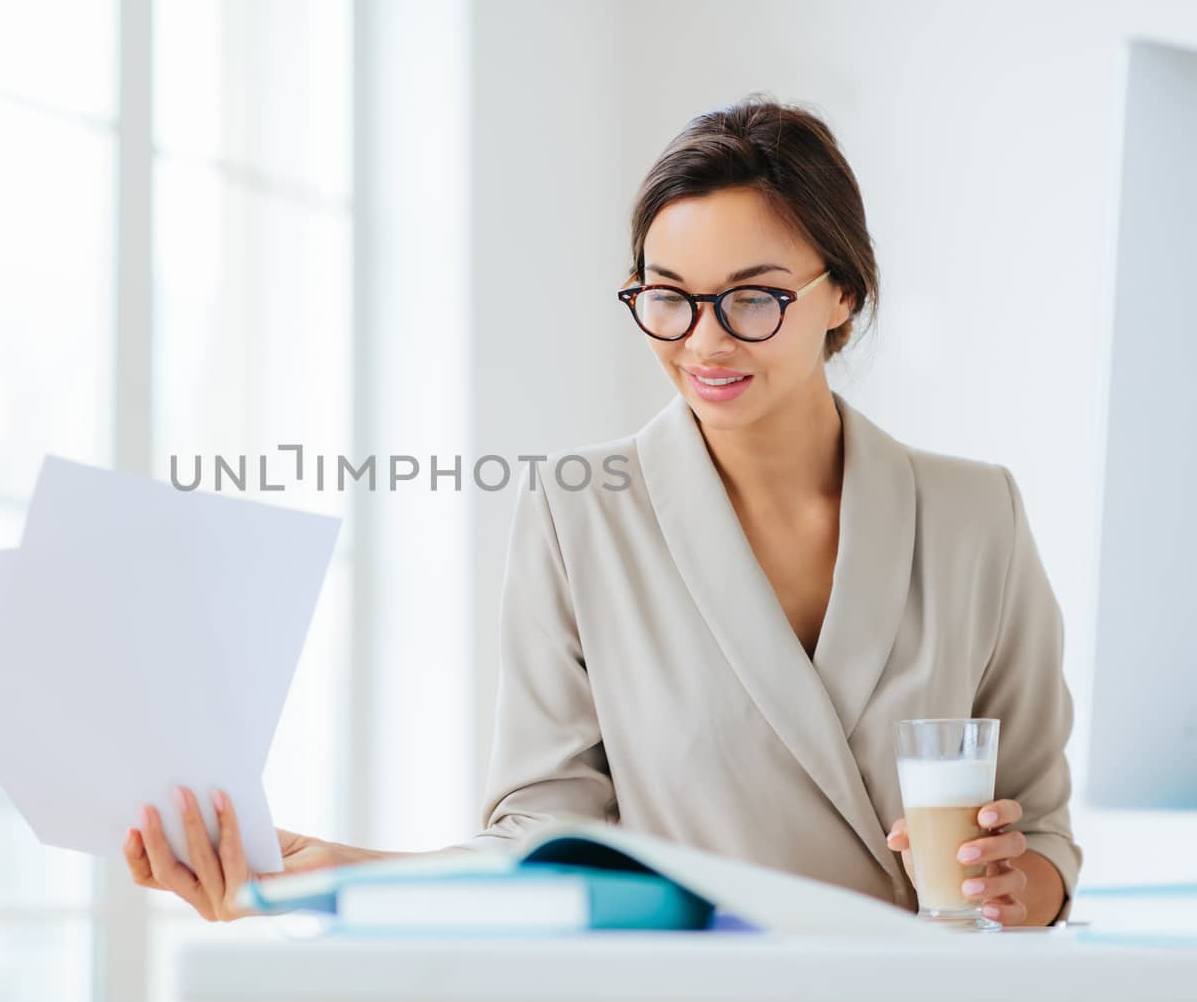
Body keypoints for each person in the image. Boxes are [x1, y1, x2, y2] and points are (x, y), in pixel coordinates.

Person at [123, 96, 1082, 927]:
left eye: (752, 299)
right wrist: (343, 876)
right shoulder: (579, 512)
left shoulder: (973, 515)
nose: (703, 340)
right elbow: (544, 839)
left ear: (843, 294)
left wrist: (1014, 882)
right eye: (668, 298)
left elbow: (1039, 833)